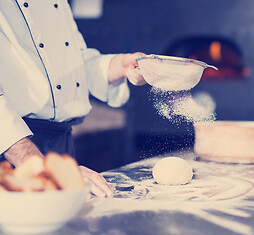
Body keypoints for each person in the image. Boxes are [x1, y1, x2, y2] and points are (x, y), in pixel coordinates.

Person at [0, 1, 146, 197]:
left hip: (59, 145)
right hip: (14, 150)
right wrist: (41, 167)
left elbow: (71, 61)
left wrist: (118, 66)